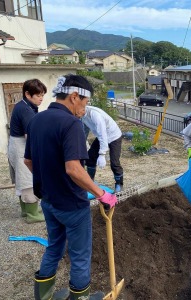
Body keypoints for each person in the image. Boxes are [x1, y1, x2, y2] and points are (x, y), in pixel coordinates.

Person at [24, 74, 117, 300]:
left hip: (48, 201)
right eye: (84, 104)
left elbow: (28, 161)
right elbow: (74, 169)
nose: (84, 110)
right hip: (72, 205)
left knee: (54, 246)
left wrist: (49, 179)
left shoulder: (37, 119)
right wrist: (102, 193)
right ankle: (80, 297)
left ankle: (43, 296)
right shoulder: (71, 124)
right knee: (80, 255)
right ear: (75, 97)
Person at [7, 79, 46, 223]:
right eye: (38, 95)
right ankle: (32, 214)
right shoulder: (25, 109)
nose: (41, 98)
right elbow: (30, 135)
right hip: (21, 146)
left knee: (21, 179)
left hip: (16, 144)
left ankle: (26, 210)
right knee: (28, 179)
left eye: (42, 95)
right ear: (27, 94)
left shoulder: (27, 106)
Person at [79, 105, 124, 193]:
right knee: (91, 157)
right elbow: (85, 130)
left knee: (114, 162)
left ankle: (119, 184)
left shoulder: (95, 115)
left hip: (114, 136)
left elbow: (103, 134)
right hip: (101, 136)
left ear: (82, 108)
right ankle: (90, 181)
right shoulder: (81, 115)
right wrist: (81, 145)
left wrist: (102, 154)